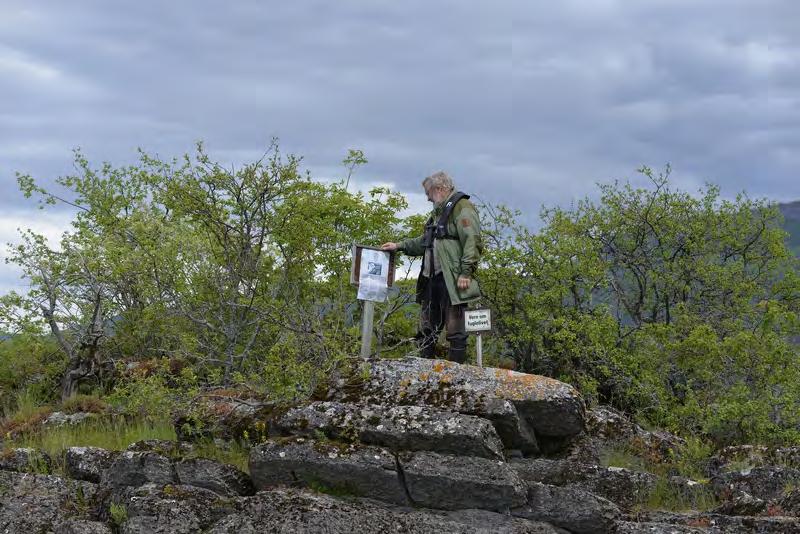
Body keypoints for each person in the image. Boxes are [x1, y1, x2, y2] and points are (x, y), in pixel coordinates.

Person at [381, 171, 482, 363]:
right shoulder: (437, 213)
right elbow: (425, 242)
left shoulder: (462, 207)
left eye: (429, 193)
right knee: (427, 328)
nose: (427, 198)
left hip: (452, 279)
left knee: (456, 329)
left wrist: (466, 272)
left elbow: (473, 240)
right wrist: (399, 246)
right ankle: (426, 373)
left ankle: (455, 377)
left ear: (440, 189)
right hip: (431, 279)